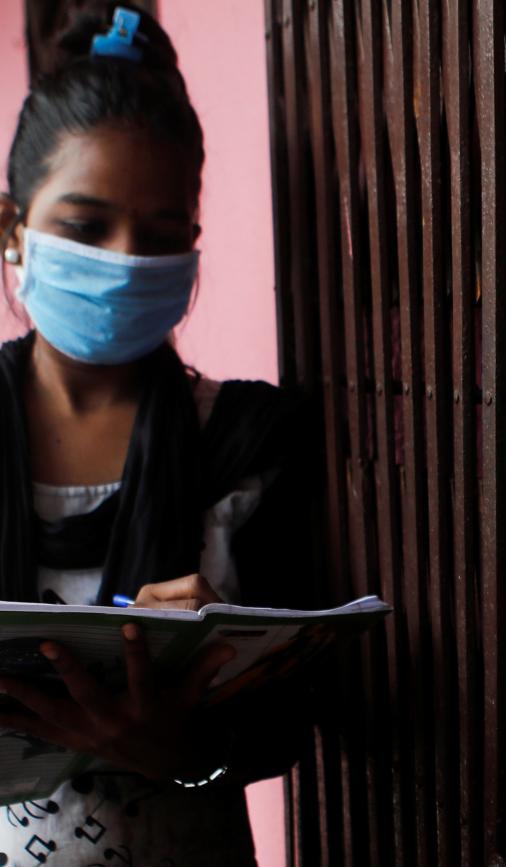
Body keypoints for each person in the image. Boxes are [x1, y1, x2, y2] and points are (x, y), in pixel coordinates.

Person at [0, 5, 314, 865]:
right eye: (87, 225)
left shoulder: (248, 442)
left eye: (163, 236)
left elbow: (286, 727)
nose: (128, 260)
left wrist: (192, 741)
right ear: (11, 227)